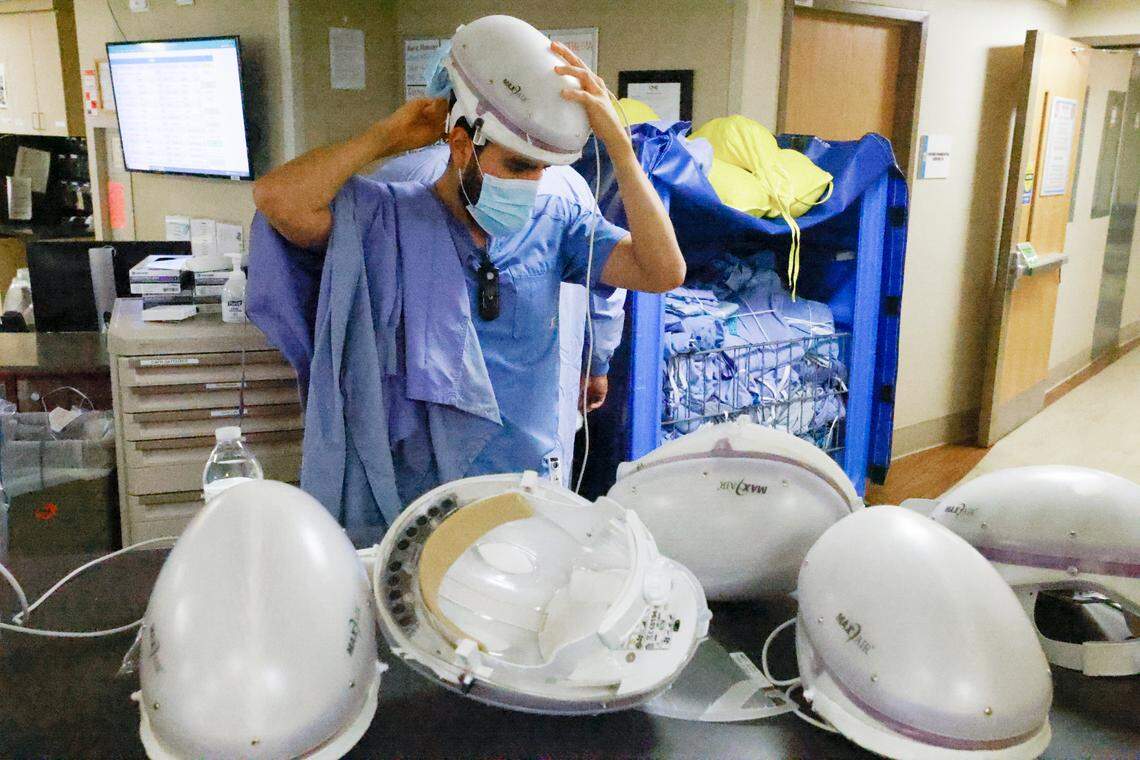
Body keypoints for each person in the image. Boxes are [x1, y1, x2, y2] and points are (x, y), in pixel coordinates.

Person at [250, 16, 683, 537]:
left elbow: (662, 271)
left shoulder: (555, 223)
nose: (534, 184)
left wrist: (622, 150)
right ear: (461, 146)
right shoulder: (384, 218)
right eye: (520, 167)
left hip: (519, 486)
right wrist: (385, 137)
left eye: (544, 168)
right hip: (415, 496)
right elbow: (279, 200)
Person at [368, 144, 626, 488]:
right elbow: (604, 295)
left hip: (461, 413)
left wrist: (597, 361)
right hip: (527, 410)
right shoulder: (567, 184)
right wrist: (597, 362)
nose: (532, 180)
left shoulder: (400, 177)